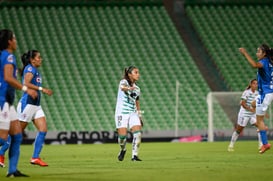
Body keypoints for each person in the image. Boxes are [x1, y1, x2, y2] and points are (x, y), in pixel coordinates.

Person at [0, 29, 37, 177]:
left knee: (16, 135)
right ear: (9, 41)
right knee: (2, 139)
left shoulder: (3, 56)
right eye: (14, 38)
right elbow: (8, 77)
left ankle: (12, 171)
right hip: (2, 102)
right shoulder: (8, 57)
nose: (16, 40)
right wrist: (25, 89)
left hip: (8, 102)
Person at [16, 50, 53, 166]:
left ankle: (35, 157)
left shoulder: (35, 70)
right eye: (38, 57)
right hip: (27, 104)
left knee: (43, 130)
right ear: (32, 60)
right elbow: (26, 83)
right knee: (17, 133)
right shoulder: (30, 69)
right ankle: (1, 154)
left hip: (36, 106)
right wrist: (42, 89)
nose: (40, 59)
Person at [239, 44, 273, 154]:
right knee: (253, 103)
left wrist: (245, 53)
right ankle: (261, 127)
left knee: (259, 120)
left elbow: (254, 65)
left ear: (264, 54)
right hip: (267, 92)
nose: (257, 53)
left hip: (265, 94)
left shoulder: (263, 62)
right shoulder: (270, 61)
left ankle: (265, 143)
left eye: (259, 51)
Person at [115, 66, 143, 161]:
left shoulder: (137, 89)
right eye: (136, 72)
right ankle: (123, 149)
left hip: (132, 112)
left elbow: (137, 102)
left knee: (138, 133)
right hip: (121, 113)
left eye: (138, 72)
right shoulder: (123, 82)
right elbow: (122, 88)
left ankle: (134, 156)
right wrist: (129, 89)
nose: (138, 74)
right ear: (129, 74)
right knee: (122, 137)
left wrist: (139, 116)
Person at [227, 79, 262, 152]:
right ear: (251, 85)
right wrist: (250, 109)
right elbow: (242, 103)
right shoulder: (246, 92)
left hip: (253, 114)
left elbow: (258, 104)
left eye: (257, 84)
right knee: (239, 130)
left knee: (260, 126)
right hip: (244, 114)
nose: (256, 85)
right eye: (254, 84)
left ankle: (260, 145)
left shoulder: (258, 93)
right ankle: (231, 144)